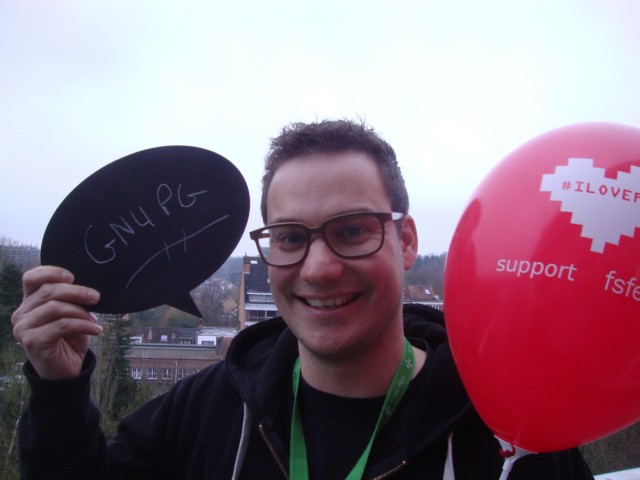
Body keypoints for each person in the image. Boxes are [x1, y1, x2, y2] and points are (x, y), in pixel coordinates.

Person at [12, 119, 594, 479]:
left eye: (352, 230)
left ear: (406, 240)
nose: (318, 268)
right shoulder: (211, 408)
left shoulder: (503, 433)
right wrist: (59, 390)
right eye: (290, 238)